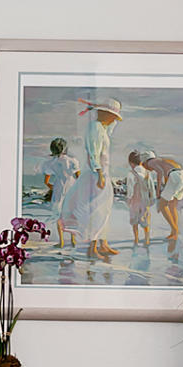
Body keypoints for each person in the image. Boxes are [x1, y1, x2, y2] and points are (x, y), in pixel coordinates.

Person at [72, 98, 122, 262]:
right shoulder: (95, 128)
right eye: (113, 115)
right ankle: (93, 248)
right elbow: (93, 152)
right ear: (106, 114)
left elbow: (109, 132)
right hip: (96, 173)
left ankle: (103, 244)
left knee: (105, 209)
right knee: (97, 210)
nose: (115, 119)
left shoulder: (102, 128)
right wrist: (99, 173)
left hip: (103, 172)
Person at [37, 137, 80, 250]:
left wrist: (52, 186)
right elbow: (78, 177)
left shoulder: (50, 163)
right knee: (72, 213)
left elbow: (46, 181)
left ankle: (61, 242)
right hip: (71, 187)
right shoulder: (72, 161)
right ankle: (73, 240)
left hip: (58, 188)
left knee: (59, 215)